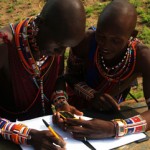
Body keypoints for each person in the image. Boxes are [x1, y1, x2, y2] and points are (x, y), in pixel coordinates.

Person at [53, 0, 150, 140]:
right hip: (76, 110)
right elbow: (68, 77)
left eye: (116, 41)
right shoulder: (85, 43)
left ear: (132, 35)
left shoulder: (142, 58)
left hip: (110, 116)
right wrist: (91, 94)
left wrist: (113, 128)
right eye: (101, 36)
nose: (105, 46)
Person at [0, 0, 85, 149]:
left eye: (66, 47)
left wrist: (61, 103)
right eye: (59, 45)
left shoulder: (57, 42)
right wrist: (26, 135)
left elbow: (57, 79)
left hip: (44, 130)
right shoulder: (4, 46)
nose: (60, 53)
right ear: (40, 23)